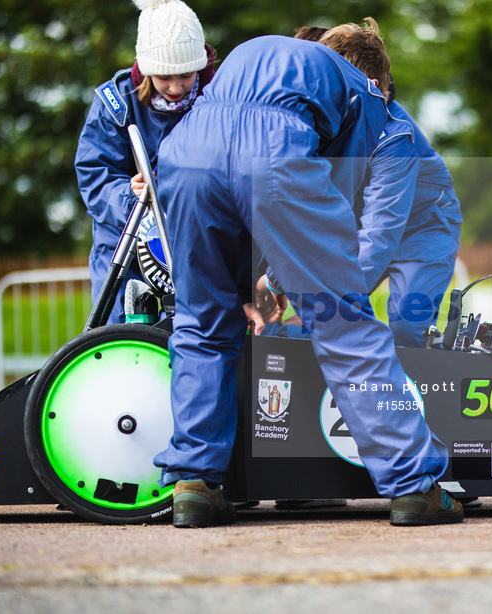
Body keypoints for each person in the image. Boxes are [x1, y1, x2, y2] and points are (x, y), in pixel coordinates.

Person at [152, 34, 463, 528]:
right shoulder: (367, 95)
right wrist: (300, 288)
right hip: (272, 152)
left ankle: (195, 484)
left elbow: (240, 176)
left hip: (187, 153)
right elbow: (334, 189)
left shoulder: (268, 55)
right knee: (344, 324)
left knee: (203, 323)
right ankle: (413, 486)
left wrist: (255, 284)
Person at [296, 22, 462, 348]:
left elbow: (380, 236)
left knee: (406, 329)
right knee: (314, 326)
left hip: (422, 228)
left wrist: (332, 304)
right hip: (364, 221)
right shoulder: (325, 115)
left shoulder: (395, 137)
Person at [75, 0, 215, 324]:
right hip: (123, 248)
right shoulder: (115, 103)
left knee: (201, 338)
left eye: (186, 74)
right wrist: (130, 194)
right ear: (147, 68)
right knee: (114, 341)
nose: (177, 87)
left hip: (195, 242)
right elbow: (93, 174)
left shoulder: (219, 99)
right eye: (165, 76)